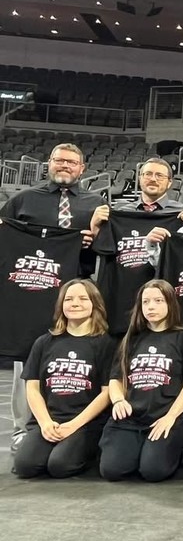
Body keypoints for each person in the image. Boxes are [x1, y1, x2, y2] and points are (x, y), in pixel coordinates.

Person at [1, 142, 107, 454]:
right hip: (29, 293)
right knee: (27, 363)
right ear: (49, 163)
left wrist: (93, 237)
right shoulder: (23, 200)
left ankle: (75, 426)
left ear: (82, 168)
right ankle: (24, 428)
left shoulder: (95, 202)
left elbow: (104, 248)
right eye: (59, 160)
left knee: (73, 365)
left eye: (71, 162)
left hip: (76, 293)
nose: (65, 166)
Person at [13, 280, 115, 478]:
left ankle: (89, 451)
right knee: (26, 466)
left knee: (60, 466)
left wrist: (74, 425)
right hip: (50, 419)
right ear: (61, 305)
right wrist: (44, 423)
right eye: (68, 299)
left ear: (95, 304)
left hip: (85, 423)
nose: (75, 303)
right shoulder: (44, 342)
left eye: (83, 298)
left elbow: (107, 393)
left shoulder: (105, 344)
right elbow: (32, 387)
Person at [99, 280, 183, 482]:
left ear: (170, 304)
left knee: (153, 471)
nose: (151, 306)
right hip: (132, 418)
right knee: (112, 470)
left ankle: (182, 450)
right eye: (146, 302)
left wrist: (171, 417)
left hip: (165, 416)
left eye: (158, 301)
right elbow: (115, 379)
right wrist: (118, 400)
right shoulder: (131, 338)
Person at [108, 157, 183, 222]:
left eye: (159, 175)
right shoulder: (123, 213)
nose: (153, 179)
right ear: (140, 179)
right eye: (148, 174)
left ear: (169, 182)